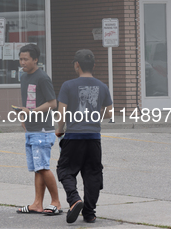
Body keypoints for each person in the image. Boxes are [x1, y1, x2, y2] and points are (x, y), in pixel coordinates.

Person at [55, 49, 113, 224]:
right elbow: (110, 113)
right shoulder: (102, 86)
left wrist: (59, 129)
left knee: (65, 170)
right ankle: (89, 213)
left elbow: (61, 113)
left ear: (77, 65)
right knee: (93, 174)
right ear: (93, 65)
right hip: (94, 138)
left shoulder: (68, 85)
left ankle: (74, 200)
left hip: (74, 137)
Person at [16, 44, 62, 216]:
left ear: (35, 59)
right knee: (37, 168)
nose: (22, 62)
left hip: (43, 130)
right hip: (31, 128)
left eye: (26, 59)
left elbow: (52, 103)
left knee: (43, 166)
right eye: (20, 59)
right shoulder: (24, 77)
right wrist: (24, 116)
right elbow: (29, 102)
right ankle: (37, 203)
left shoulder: (42, 78)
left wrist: (33, 112)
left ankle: (56, 202)